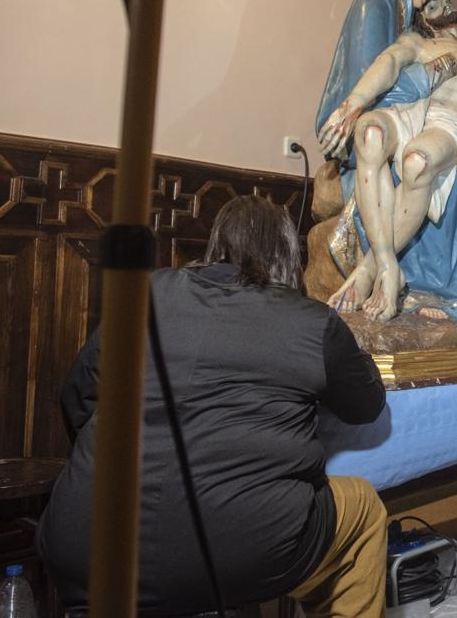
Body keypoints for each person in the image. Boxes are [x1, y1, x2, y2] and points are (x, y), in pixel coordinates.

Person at [37, 196, 389, 616]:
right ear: (288, 253)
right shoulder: (312, 322)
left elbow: (77, 394)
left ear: (216, 244)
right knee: (363, 508)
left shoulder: (148, 292)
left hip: (83, 543)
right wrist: (359, 351)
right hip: (232, 550)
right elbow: (366, 405)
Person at [319, 0, 457, 322]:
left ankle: (368, 272)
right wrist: (352, 106)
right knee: (369, 132)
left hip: (454, 126)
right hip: (415, 113)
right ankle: (388, 267)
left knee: (416, 162)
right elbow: (388, 62)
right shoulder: (420, 44)